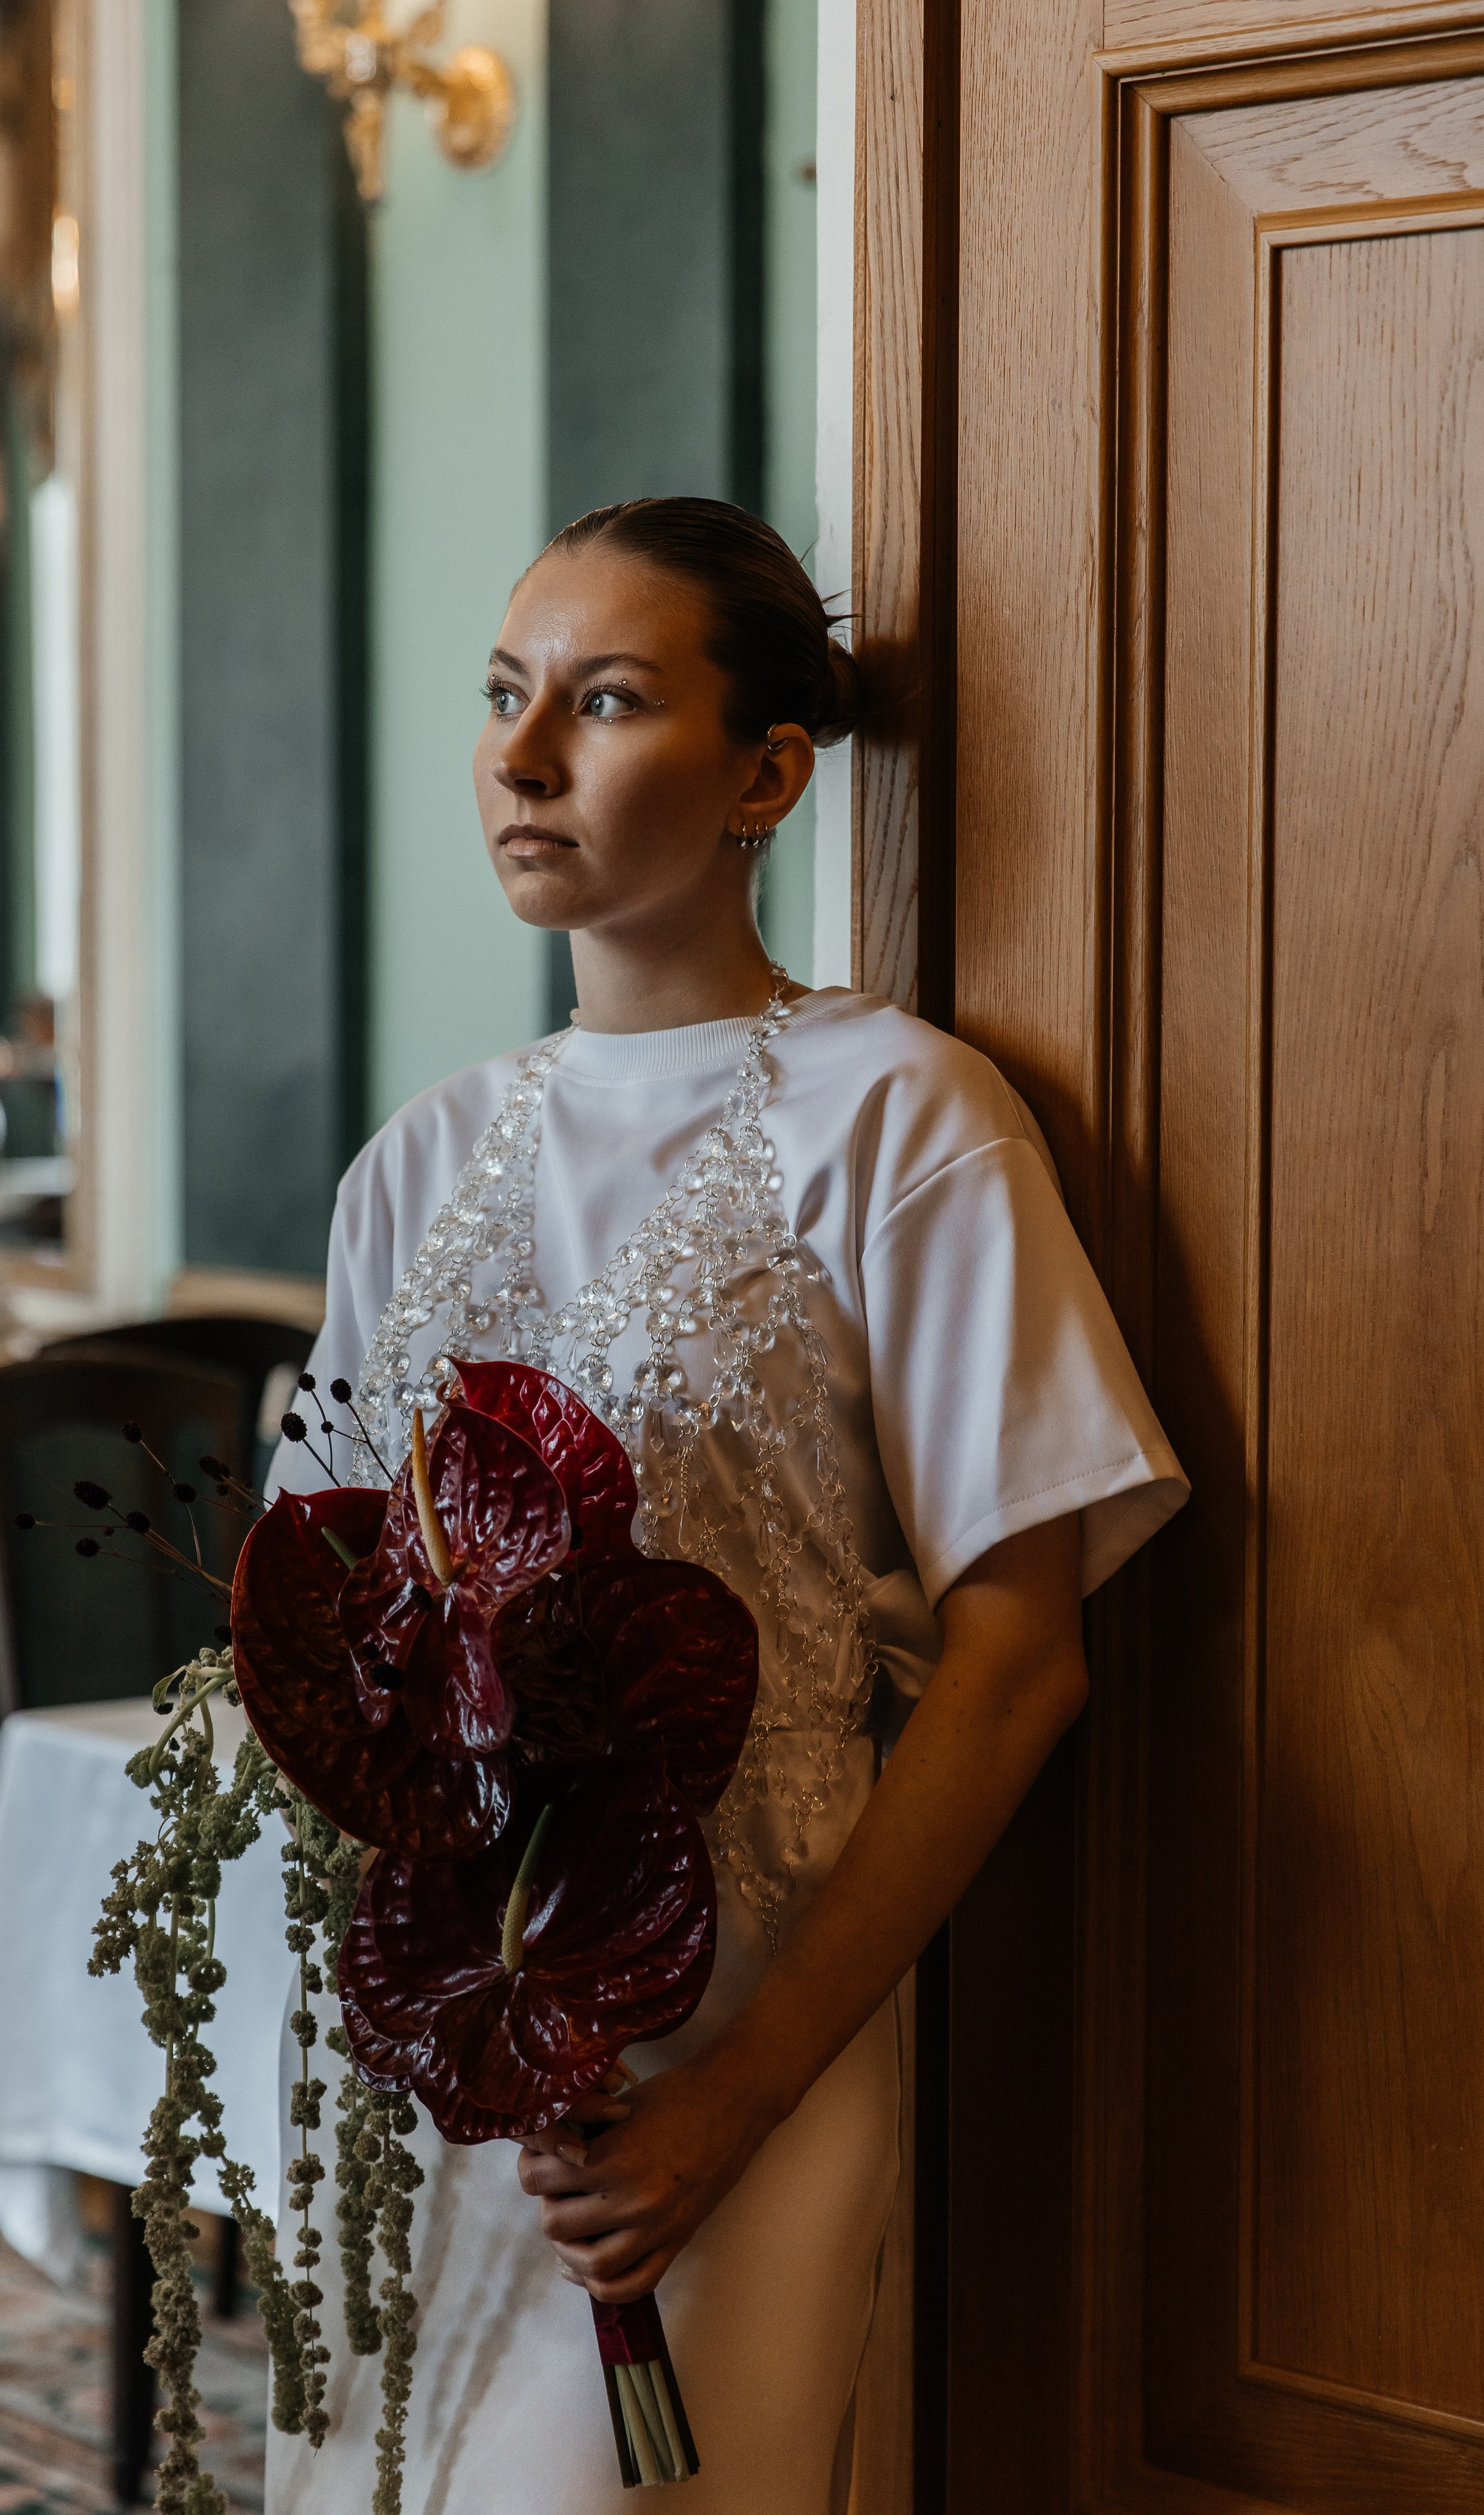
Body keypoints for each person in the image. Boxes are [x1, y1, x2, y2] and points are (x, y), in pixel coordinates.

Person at [264, 496, 1187, 2515]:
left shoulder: (906, 1118)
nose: (521, 761)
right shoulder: (417, 1161)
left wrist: (742, 2099)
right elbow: (322, 1637)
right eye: (507, 699)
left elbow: (1022, 1665)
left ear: (770, 770)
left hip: (737, 2049)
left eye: (601, 704)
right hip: (434, 2049)